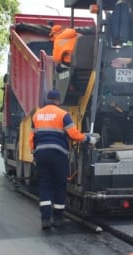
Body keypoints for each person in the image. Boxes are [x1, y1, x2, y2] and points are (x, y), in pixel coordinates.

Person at [29, 89, 98, 229]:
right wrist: (89, 139)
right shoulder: (63, 115)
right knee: (59, 185)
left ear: (47, 99)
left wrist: (34, 153)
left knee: (45, 185)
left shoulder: (37, 115)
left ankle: (45, 220)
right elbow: (74, 134)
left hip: (41, 155)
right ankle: (58, 218)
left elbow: (32, 139)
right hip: (58, 155)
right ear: (58, 101)